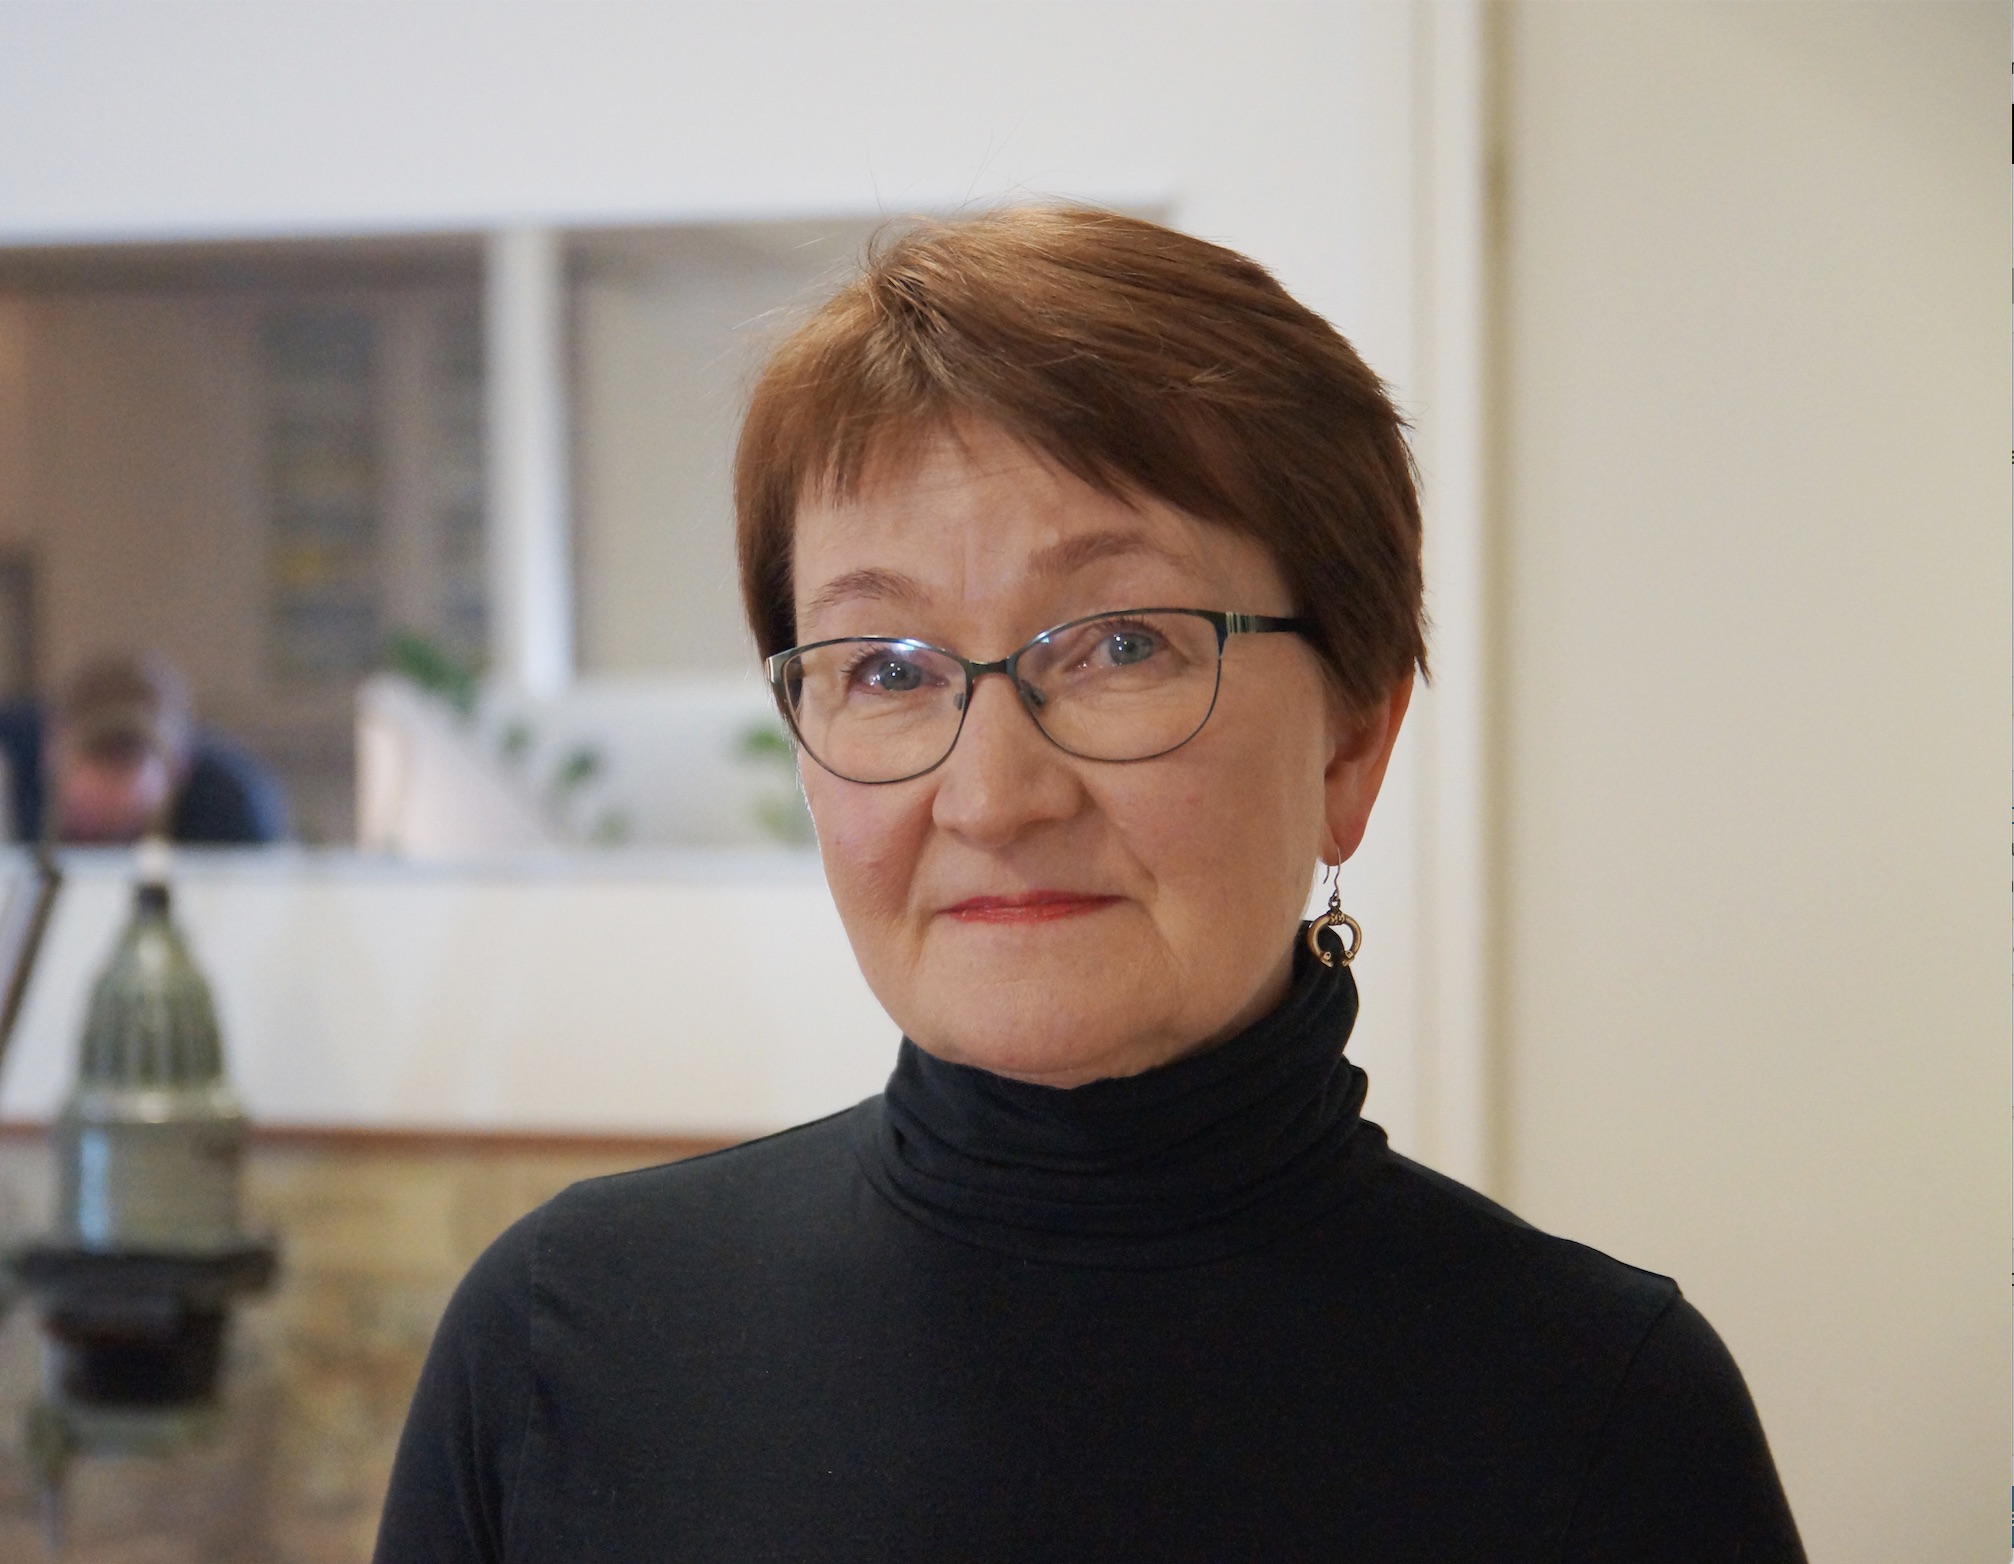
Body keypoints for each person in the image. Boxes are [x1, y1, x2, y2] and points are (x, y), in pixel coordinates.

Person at [375, 209, 1804, 1561]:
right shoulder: (567, 1343)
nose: (994, 797)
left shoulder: (1597, 1414)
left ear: (1351, 740)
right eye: (885, 669)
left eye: (1123, 644)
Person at [0, 652, 287, 845]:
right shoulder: (14, 763)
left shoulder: (230, 807)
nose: (103, 787)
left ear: (179, 767)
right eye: (95, 757)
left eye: (124, 763)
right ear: (49, 752)